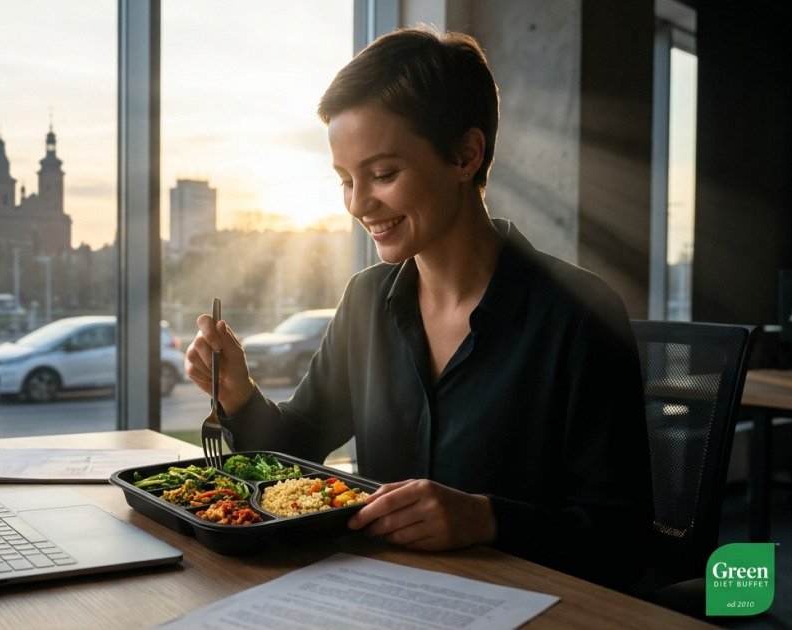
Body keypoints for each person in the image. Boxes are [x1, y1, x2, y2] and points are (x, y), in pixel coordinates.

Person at [185, 26, 652, 591]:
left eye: (383, 174)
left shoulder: (581, 314)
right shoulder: (366, 299)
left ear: (466, 155)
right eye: (346, 180)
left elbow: (623, 539)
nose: (359, 203)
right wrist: (238, 392)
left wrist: (486, 519)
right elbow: (300, 445)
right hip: (384, 595)